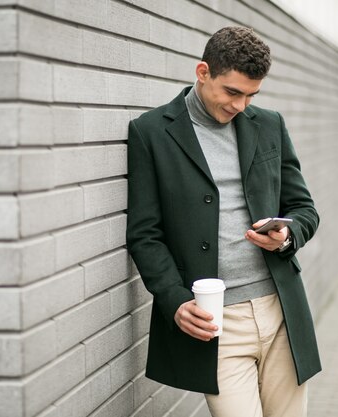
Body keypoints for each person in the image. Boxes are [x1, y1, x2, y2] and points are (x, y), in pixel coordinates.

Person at [126, 26, 320, 417]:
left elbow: (304, 209)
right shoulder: (150, 133)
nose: (241, 105)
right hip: (216, 323)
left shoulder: (270, 125)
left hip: (280, 311)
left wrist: (285, 236)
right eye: (233, 92)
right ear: (203, 72)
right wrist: (174, 299)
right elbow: (145, 235)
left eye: (252, 94)